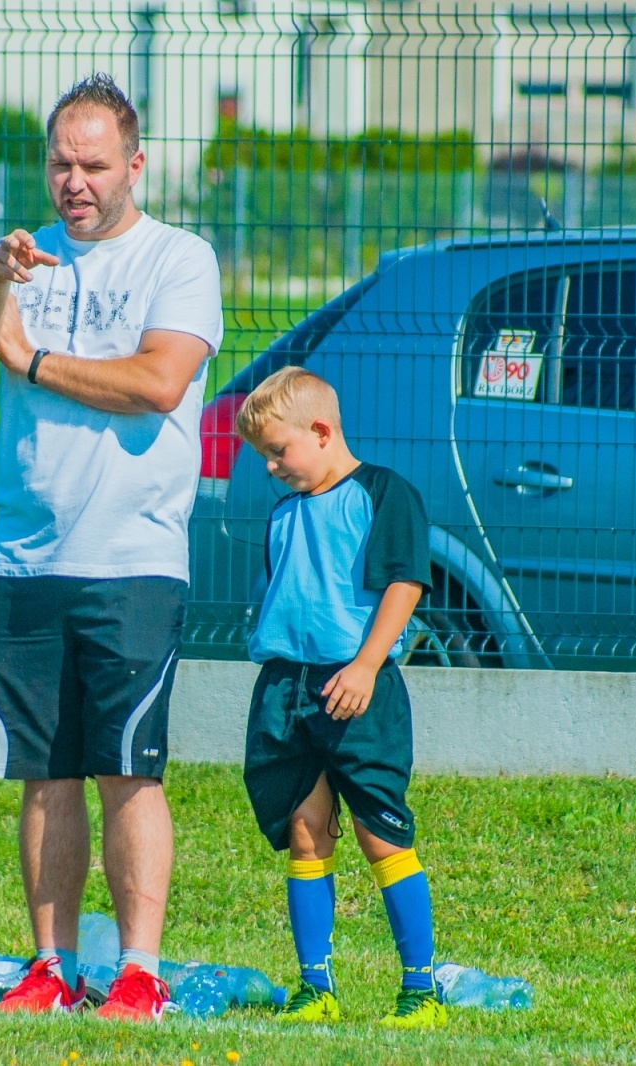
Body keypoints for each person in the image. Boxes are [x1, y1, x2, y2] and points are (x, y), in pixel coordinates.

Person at [0, 72, 223, 1021]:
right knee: (43, 776)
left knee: (128, 771)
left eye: (94, 165)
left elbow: (155, 383)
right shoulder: (16, 257)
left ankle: (139, 971)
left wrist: (35, 360)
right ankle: (51, 967)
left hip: (133, 562)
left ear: (134, 165)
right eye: (61, 163)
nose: (75, 181)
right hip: (24, 559)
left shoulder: (179, 259)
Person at [233, 366, 446, 1029]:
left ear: (321, 431)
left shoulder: (384, 494)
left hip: (357, 686)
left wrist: (365, 665)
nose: (271, 467)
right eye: (264, 455)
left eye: (278, 451)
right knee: (304, 831)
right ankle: (315, 987)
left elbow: (405, 584)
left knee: (376, 831)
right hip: (286, 688)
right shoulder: (285, 511)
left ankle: (420, 992)